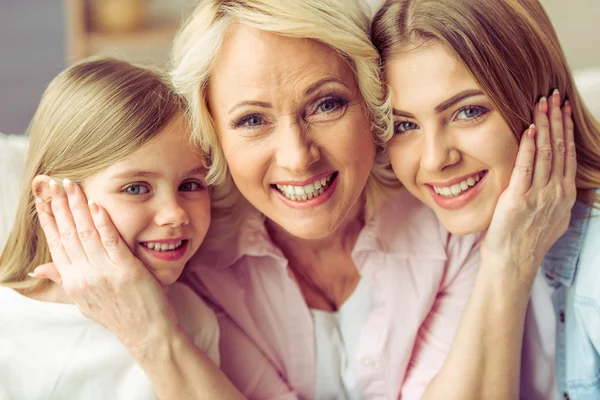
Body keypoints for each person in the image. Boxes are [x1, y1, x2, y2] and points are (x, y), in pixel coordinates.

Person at [28, 1, 574, 399]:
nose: (297, 157)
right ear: (213, 131)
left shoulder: (446, 213)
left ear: (372, 103)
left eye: (327, 104)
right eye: (252, 120)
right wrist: (151, 332)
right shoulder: (192, 254)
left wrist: (509, 259)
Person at [371, 0, 600, 399]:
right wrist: (507, 265)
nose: (434, 159)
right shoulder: (441, 240)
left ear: (539, 97)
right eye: (404, 124)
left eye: (468, 112)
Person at [0, 58, 222, 399]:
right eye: (136, 188)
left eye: (191, 184)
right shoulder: (9, 326)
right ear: (51, 197)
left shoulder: (194, 319)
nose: (175, 214)